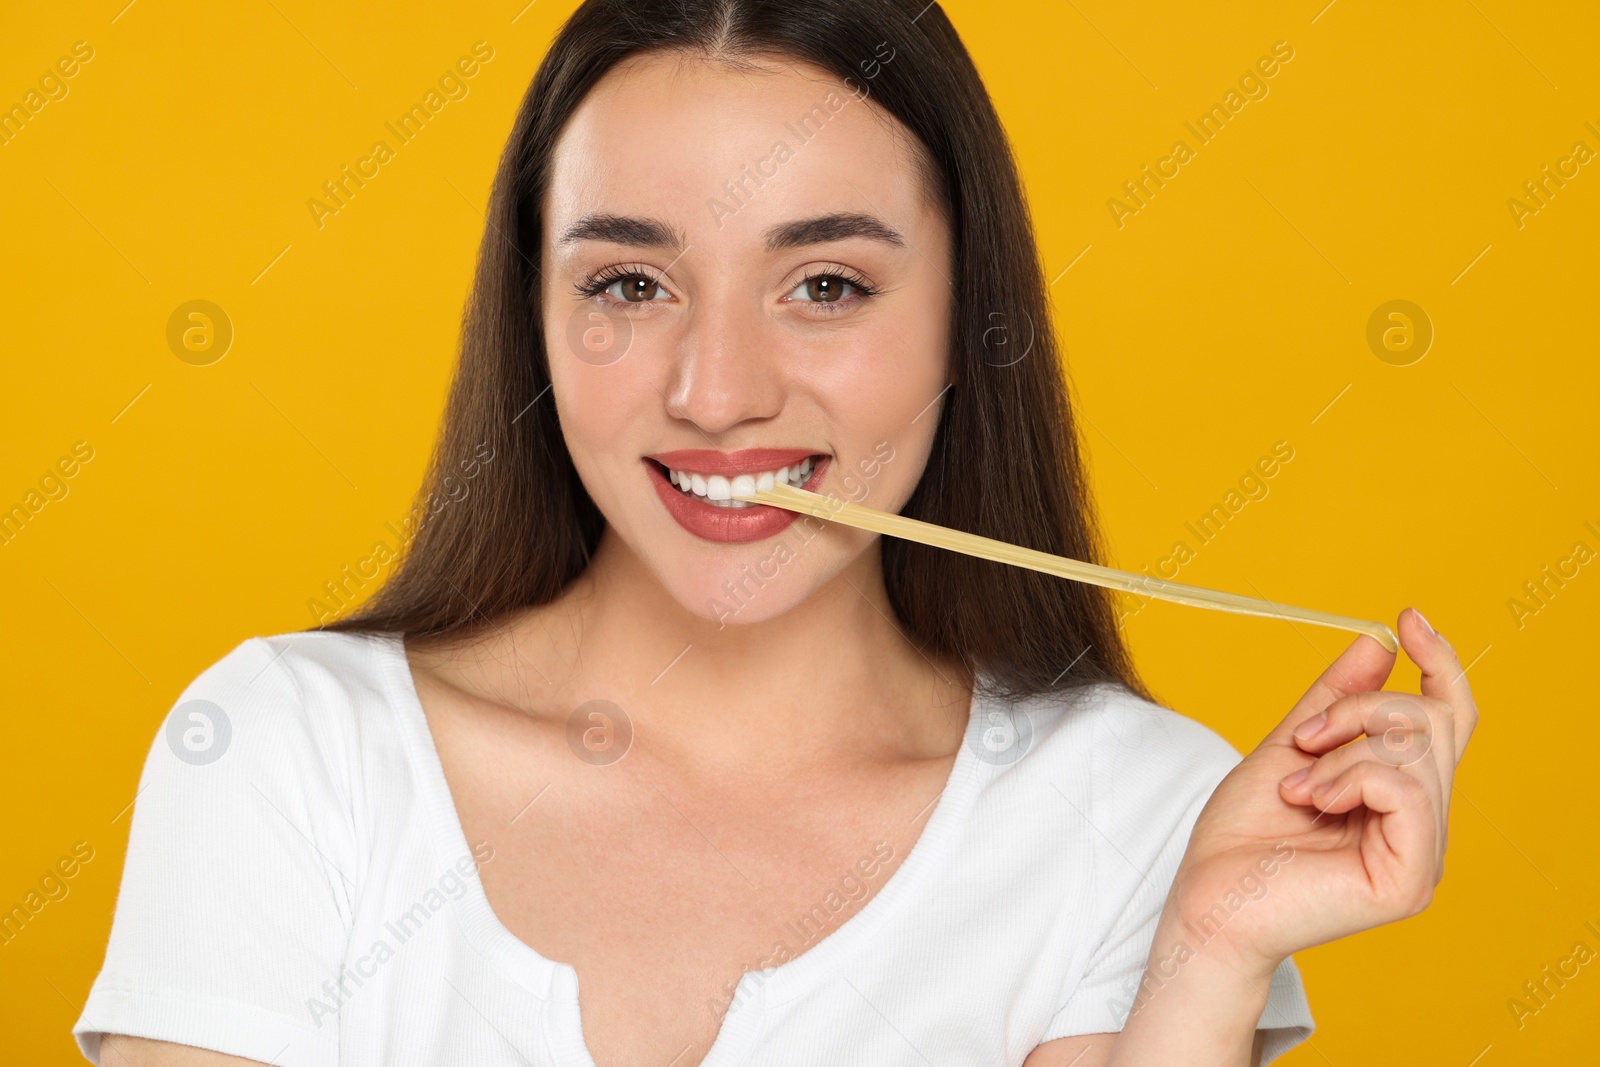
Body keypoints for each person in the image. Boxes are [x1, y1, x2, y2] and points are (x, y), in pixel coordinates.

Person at [74, 1, 1477, 1065]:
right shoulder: (288, 754)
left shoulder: (1144, 817)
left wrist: (1202, 965)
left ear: (964, 318)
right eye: (629, 278)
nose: (719, 393)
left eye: (824, 282)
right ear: (538, 319)